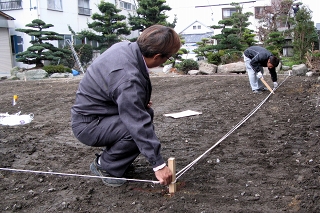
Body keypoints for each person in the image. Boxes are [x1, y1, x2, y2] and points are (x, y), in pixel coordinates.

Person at [71, 25, 181, 187]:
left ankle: (116, 160)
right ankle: (105, 165)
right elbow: (137, 122)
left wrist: (134, 101)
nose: (167, 61)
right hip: (88, 125)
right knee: (135, 128)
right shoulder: (128, 76)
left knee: (145, 114)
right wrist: (158, 165)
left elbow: (113, 87)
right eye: (168, 57)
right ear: (157, 56)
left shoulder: (125, 48)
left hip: (98, 114)